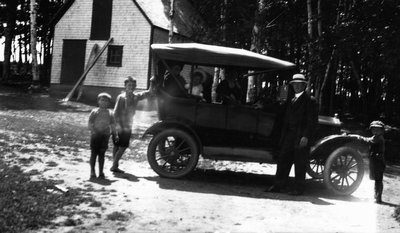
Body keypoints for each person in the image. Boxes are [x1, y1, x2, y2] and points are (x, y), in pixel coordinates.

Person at [266, 74, 318, 195]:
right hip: (289, 136)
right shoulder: (291, 99)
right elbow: (281, 112)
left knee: (300, 162)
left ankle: (298, 188)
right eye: (295, 84)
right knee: (283, 159)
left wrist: (306, 136)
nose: (297, 86)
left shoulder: (310, 100)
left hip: (300, 137)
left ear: (304, 86)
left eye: (299, 84)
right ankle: (278, 185)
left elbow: (312, 121)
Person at [111, 76, 152, 173]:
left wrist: (151, 82)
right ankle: (114, 165)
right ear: (125, 86)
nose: (131, 87)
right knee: (119, 145)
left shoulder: (135, 97)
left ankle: (115, 165)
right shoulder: (121, 97)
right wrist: (116, 126)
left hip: (128, 124)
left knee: (121, 145)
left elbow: (147, 93)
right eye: (129, 85)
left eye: (133, 85)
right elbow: (116, 112)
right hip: (119, 124)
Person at [353, 120, 386, 203]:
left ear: (382, 131)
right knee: (377, 180)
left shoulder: (379, 138)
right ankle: (376, 196)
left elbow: (369, 141)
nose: (375, 131)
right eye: (374, 129)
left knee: (378, 180)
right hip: (375, 160)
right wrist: (360, 137)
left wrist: (360, 138)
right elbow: (369, 139)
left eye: (378, 130)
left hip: (378, 160)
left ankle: (378, 197)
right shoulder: (376, 137)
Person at [88, 92, 116, 179]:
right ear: (98, 101)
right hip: (96, 135)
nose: (104, 102)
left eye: (106, 101)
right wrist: (93, 131)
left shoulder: (110, 113)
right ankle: (92, 171)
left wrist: (115, 134)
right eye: (102, 100)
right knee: (94, 153)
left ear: (108, 103)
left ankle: (101, 172)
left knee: (102, 154)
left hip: (105, 136)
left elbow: (113, 124)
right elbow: (90, 124)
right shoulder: (94, 112)